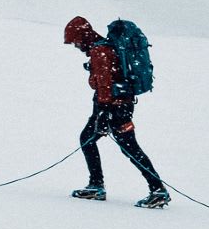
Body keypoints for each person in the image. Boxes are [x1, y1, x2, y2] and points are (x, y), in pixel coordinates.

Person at [63, 16, 168, 207]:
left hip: (113, 108)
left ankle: (156, 189)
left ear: (83, 37)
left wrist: (103, 115)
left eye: (76, 41)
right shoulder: (105, 48)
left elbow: (104, 86)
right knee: (107, 143)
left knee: (125, 147)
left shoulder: (100, 52)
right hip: (120, 105)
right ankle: (99, 184)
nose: (76, 46)